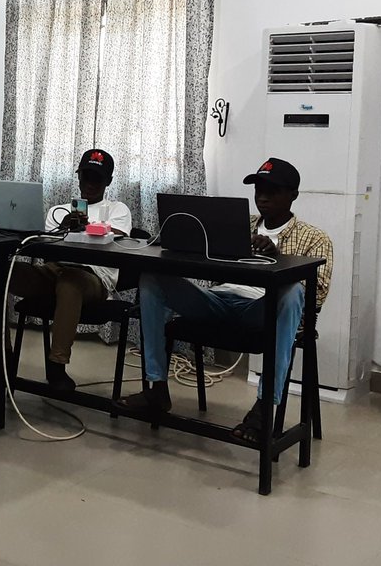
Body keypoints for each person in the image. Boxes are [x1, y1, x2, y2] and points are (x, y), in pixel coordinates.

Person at [116, 157, 334, 444]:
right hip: (218, 300)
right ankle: (156, 387)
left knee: (293, 293)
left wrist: (278, 259)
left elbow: (314, 295)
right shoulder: (236, 225)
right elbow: (204, 262)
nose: (262, 196)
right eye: (258, 189)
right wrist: (178, 243)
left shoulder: (315, 238)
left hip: (262, 311)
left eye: (273, 189)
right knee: (151, 278)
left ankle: (265, 407)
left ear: (293, 195)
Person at [0, 149, 132, 390]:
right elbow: (46, 247)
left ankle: (57, 364)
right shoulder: (59, 211)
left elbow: (117, 238)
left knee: (70, 282)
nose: (90, 184)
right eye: (85, 177)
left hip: (94, 278)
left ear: (108, 182)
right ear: (78, 177)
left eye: (97, 179)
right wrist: (61, 230)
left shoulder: (117, 210)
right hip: (54, 271)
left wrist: (86, 227)